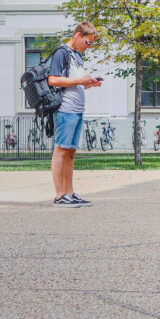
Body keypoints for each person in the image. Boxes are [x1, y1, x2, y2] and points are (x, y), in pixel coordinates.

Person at [47, 21, 103, 207]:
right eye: (87, 43)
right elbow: (53, 80)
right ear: (78, 35)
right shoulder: (61, 53)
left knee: (70, 152)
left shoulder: (78, 56)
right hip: (65, 109)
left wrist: (88, 83)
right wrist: (80, 80)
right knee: (61, 150)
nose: (88, 47)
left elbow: (74, 82)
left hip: (77, 109)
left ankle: (69, 193)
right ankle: (59, 195)